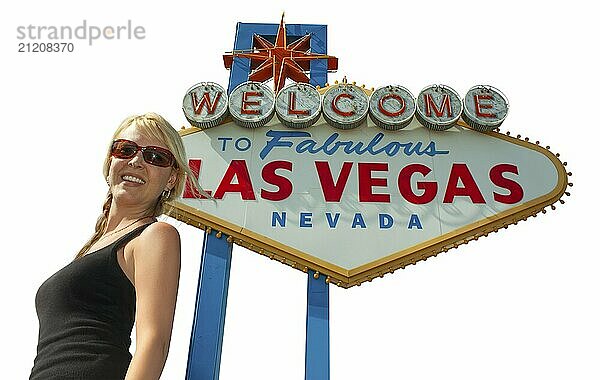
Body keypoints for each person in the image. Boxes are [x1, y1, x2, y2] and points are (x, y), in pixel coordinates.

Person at [30, 112, 205, 380]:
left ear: (171, 178)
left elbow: (154, 343)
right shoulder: (92, 247)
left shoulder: (155, 235)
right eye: (126, 149)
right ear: (111, 160)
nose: (136, 161)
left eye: (155, 157)